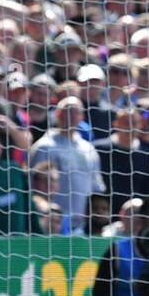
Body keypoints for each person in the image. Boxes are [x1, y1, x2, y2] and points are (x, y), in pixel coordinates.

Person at [29, 95, 105, 233]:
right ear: (58, 114)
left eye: (76, 111)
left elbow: (97, 187)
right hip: (53, 225)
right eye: (67, 111)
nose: (72, 116)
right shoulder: (45, 147)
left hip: (82, 227)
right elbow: (34, 187)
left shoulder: (89, 149)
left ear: (82, 117)